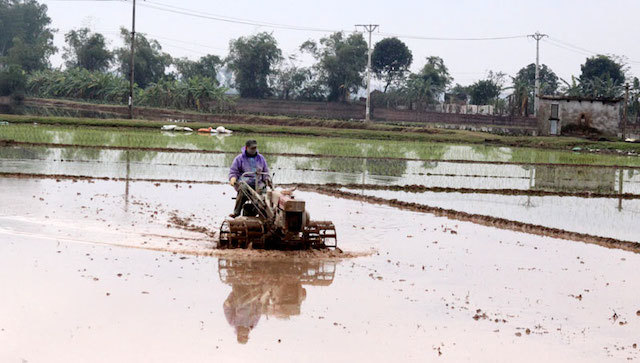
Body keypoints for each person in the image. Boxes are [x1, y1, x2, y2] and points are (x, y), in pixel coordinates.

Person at [228, 139, 271, 217]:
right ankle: (236, 212)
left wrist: (267, 180)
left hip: (258, 182)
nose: (253, 150)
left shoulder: (261, 158)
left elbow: (265, 172)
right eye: (252, 148)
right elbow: (234, 171)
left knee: (264, 193)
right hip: (245, 181)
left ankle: (265, 214)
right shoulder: (239, 158)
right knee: (243, 190)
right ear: (246, 148)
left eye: (255, 148)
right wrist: (233, 178)